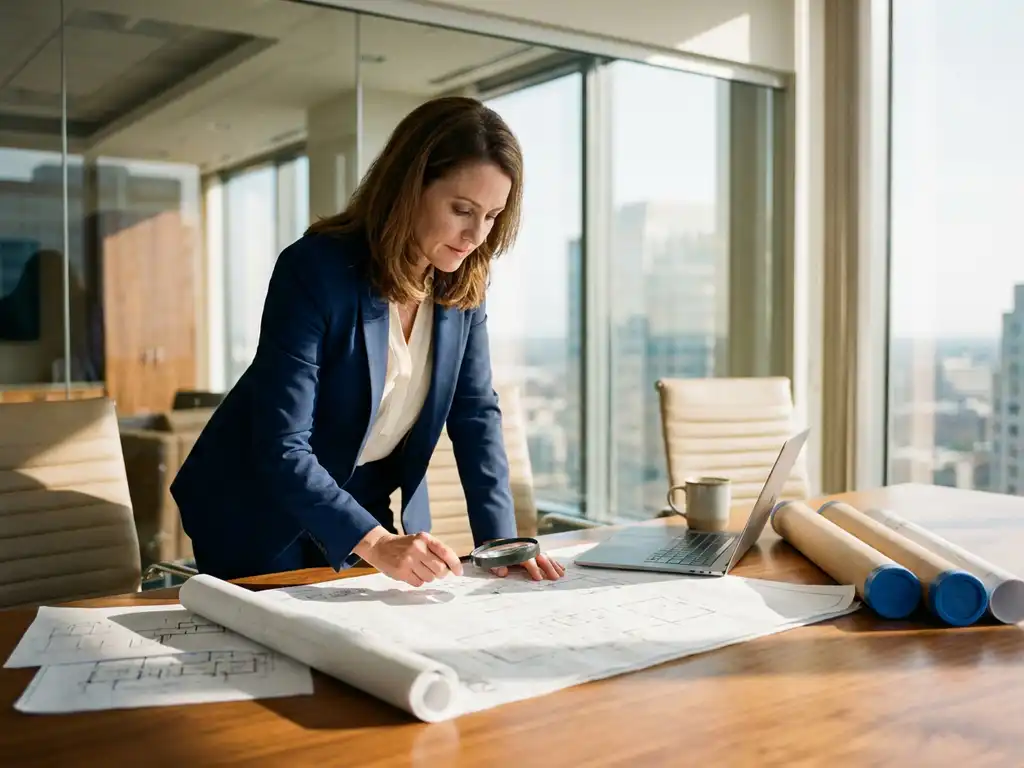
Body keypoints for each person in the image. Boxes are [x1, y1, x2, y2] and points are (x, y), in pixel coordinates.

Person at [171, 96, 565, 587]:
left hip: (360, 503)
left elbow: (474, 413)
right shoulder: (315, 270)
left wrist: (501, 542)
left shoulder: (463, 284)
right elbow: (281, 443)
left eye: (492, 216)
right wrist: (376, 543)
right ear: (409, 187)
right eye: (462, 210)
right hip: (257, 507)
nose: (475, 235)